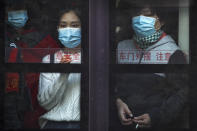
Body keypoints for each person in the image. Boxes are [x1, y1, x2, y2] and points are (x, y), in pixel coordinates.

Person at [115, 1, 188, 130]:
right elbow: (110, 84)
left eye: (147, 15)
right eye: (137, 14)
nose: (140, 20)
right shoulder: (121, 47)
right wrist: (117, 102)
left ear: (161, 21)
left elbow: (180, 95)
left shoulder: (173, 53)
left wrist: (155, 117)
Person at [4, 0, 59, 129]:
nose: (15, 12)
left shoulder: (44, 40)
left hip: (38, 109)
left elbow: (58, 72)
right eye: (10, 7)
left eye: (19, 7)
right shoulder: (5, 39)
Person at [37, 8, 81, 129]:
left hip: (85, 124)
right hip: (53, 125)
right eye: (63, 25)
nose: (68, 30)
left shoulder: (93, 59)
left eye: (75, 25)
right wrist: (63, 75)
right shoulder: (49, 60)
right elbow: (45, 103)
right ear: (58, 29)